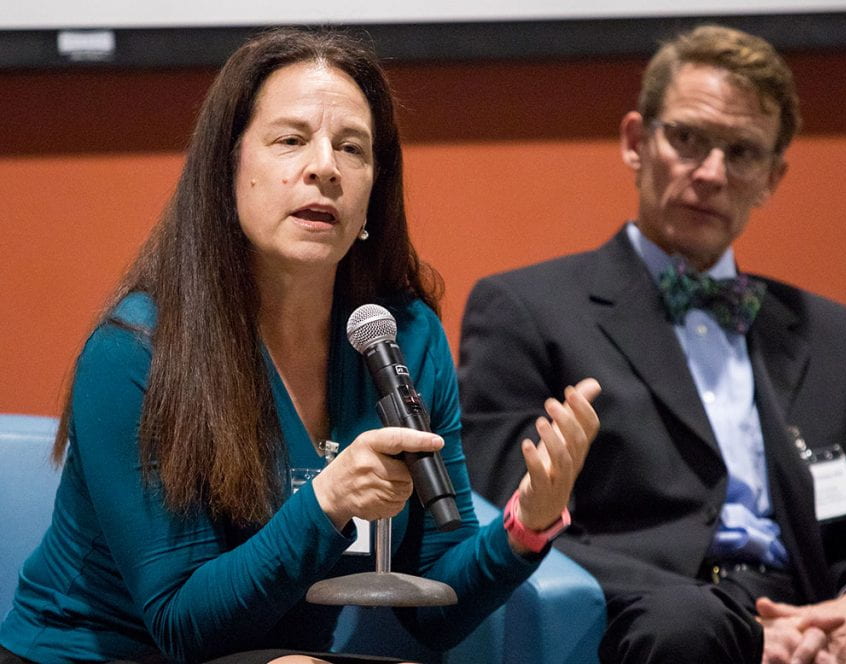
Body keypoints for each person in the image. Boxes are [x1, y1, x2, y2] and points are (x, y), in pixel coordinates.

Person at [0, 28, 600, 664]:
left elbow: (431, 609)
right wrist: (328, 501)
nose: (325, 167)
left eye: (352, 149)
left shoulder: (403, 337)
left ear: (373, 191)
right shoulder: (136, 351)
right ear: (227, 171)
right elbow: (183, 624)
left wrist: (528, 523)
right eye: (290, 141)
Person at [458, 24, 846, 664]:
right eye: (687, 139)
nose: (710, 173)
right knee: (684, 628)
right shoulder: (528, 311)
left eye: (743, 152)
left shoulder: (845, 340)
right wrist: (754, 634)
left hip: (826, 620)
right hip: (667, 610)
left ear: (773, 177)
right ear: (636, 141)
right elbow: (510, 522)